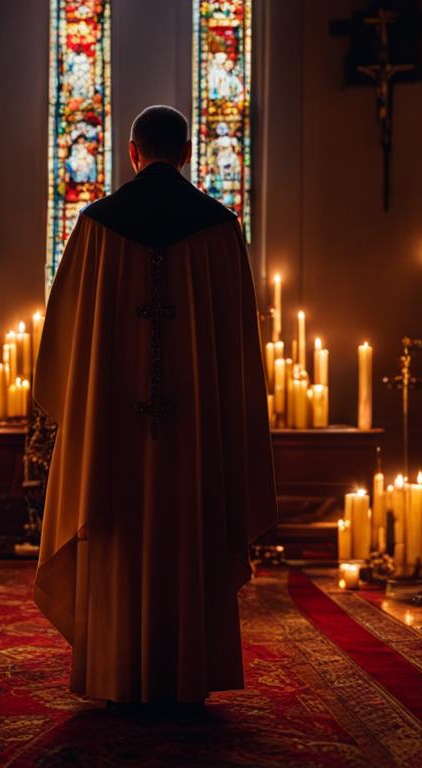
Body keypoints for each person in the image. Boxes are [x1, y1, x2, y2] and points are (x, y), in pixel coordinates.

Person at [33, 105, 276, 704]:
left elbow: (62, 346)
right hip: (197, 439)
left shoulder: (96, 226)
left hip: (113, 433)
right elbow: (240, 354)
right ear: (187, 153)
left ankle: (116, 672)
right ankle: (187, 673)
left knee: (115, 534)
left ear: (133, 153)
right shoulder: (219, 229)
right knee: (190, 533)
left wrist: (88, 405)